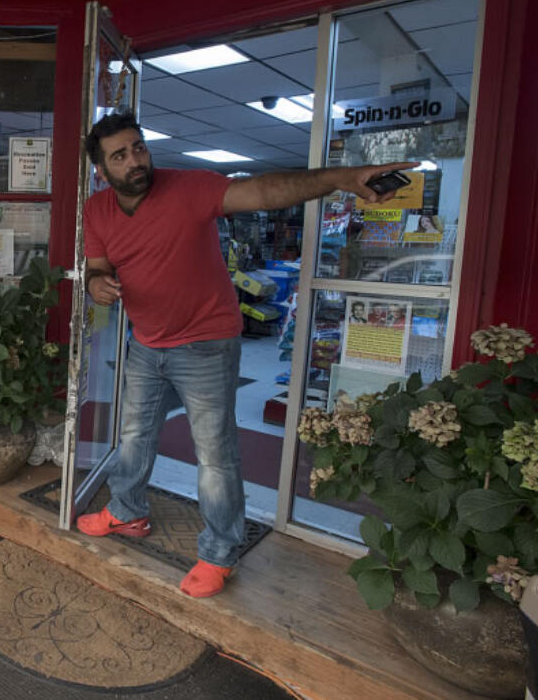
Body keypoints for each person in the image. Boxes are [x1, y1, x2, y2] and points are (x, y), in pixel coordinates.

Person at [75, 112, 416, 598]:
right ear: (102, 171)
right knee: (133, 438)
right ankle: (126, 513)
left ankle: (219, 553)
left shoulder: (189, 188)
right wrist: (96, 285)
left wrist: (340, 179)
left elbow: (263, 191)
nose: (136, 160)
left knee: (214, 454)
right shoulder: (97, 211)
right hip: (146, 342)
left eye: (139, 148)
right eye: (120, 156)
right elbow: (98, 267)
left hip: (207, 343)